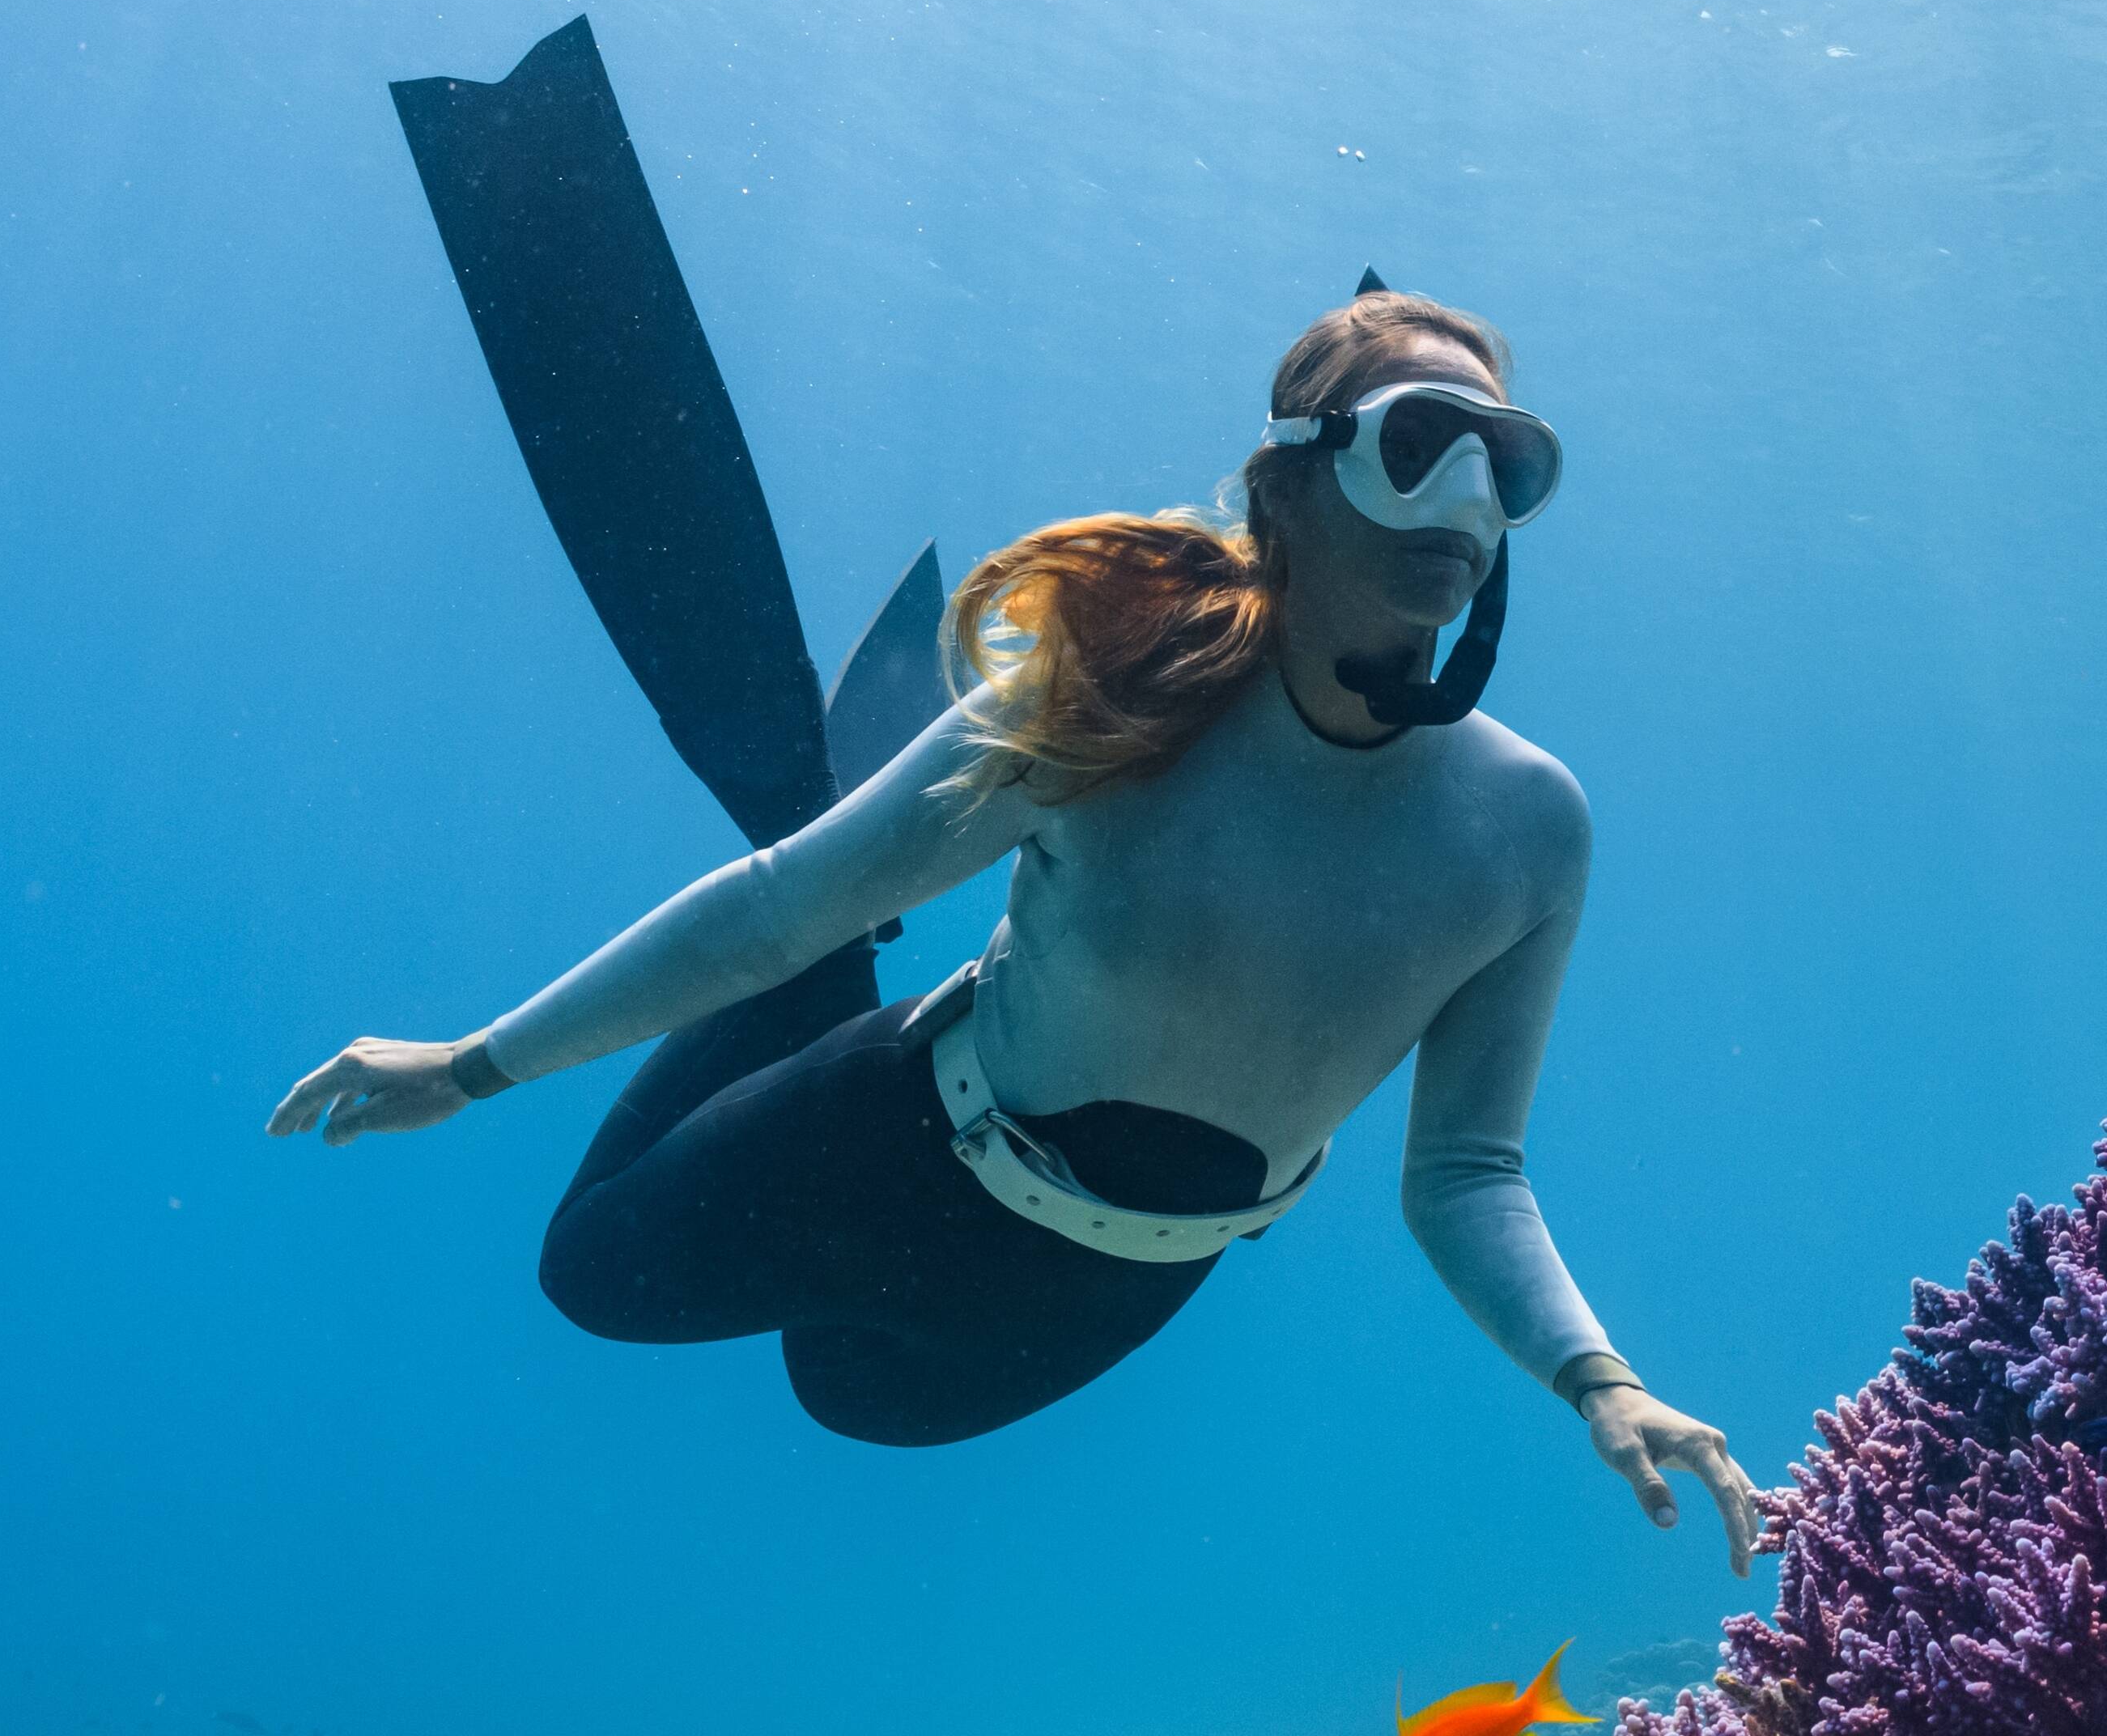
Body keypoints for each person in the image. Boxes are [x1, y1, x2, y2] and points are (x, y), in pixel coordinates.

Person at [270, 288, 1764, 1552]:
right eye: (1420, 444)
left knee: (854, 1403)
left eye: (1510, 463)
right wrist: (469, 1066)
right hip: (896, 1140)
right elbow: (771, 909)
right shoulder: (1114, 694)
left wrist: (1600, 1380)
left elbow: (1466, 1172)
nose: (1467, 502)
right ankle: (855, 939)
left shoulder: (1530, 829)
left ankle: (854, 943)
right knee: (590, 1275)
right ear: (1292, 483)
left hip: (1128, 1277)